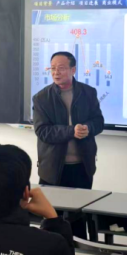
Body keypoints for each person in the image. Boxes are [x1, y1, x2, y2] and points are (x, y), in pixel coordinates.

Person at [32, 51, 104, 237]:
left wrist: (88, 128)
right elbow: (43, 131)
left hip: (82, 167)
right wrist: (71, 131)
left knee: (78, 219)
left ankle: (81, 250)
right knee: (52, 220)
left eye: (61, 68)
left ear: (73, 70)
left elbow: (98, 121)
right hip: (53, 169)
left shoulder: (88, 93)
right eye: (52, 68)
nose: (56, 72)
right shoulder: (41, 98)